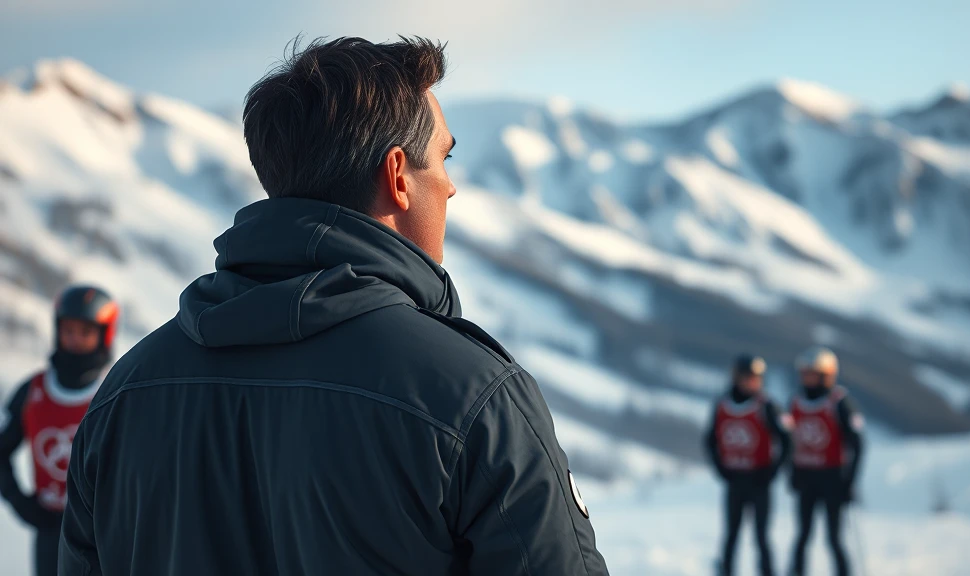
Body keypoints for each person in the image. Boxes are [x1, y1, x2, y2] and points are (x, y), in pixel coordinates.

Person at [59, 37, 608, 576]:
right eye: (443, 158)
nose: (451, 187)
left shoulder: (126, 393)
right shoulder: (469, 396)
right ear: (397, 176)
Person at [0, 285, 118, 576]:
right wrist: (19, 502)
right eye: (68, 330)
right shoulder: (34, 390)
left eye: (85, 332)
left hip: (103, 536)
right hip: (50, 531)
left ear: (105, 335)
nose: (75, 339)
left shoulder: (115, 392)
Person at [704, 355, 791, 576]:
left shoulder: (768, 405)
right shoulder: (723, 405)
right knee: (732, 533)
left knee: (761, 535)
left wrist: (772, 471)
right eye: (748, 378)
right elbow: (710, 439)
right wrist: (720, 468)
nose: (752, 382)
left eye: (756, 378)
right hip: (735, 480)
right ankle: (727, 570)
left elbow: (787, 440)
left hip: (759, 480)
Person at [788, 346, 865, 576]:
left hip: (832, 478)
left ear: (826, 374)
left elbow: (858, 444)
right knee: (803, 534)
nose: (806, 378)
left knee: (834, 538)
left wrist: (849, 480)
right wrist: (793, 471)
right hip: (806, 478)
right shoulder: (797, 402)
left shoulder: (840, 403)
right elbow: (791, 441)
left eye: (811, 373)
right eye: (804, 373)